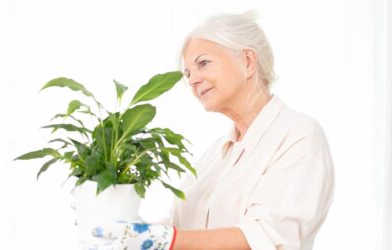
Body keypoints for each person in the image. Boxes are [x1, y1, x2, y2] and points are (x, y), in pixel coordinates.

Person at [91, 10, 335, 250]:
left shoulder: (298, 135)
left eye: (203, 63)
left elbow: (265, 237)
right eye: (188, 73)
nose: (193, 80)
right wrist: (124, 231)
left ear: (248, 61)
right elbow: (174, 227)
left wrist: (168, 239)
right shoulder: (214, 156)